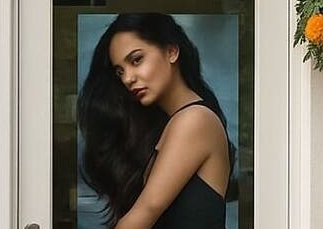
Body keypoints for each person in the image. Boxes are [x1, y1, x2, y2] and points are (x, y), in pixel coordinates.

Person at [76, 13, 235, 229]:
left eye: (136, 60)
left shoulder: (196, 120)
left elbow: (146, 212)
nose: (127, 78)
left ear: (171, 52)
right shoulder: (173, 124)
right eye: (120, 71)